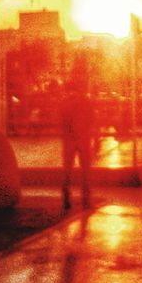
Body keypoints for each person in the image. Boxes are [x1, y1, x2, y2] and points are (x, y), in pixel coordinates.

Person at [60, 65, 96, 210]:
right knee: (85, 170)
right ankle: (86, 198)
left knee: (67, 169)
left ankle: (66, 196)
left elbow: (61, 121)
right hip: (83, 138)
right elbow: (91, 118)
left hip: (69, 139)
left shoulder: (64, 103)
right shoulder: (85, 101)